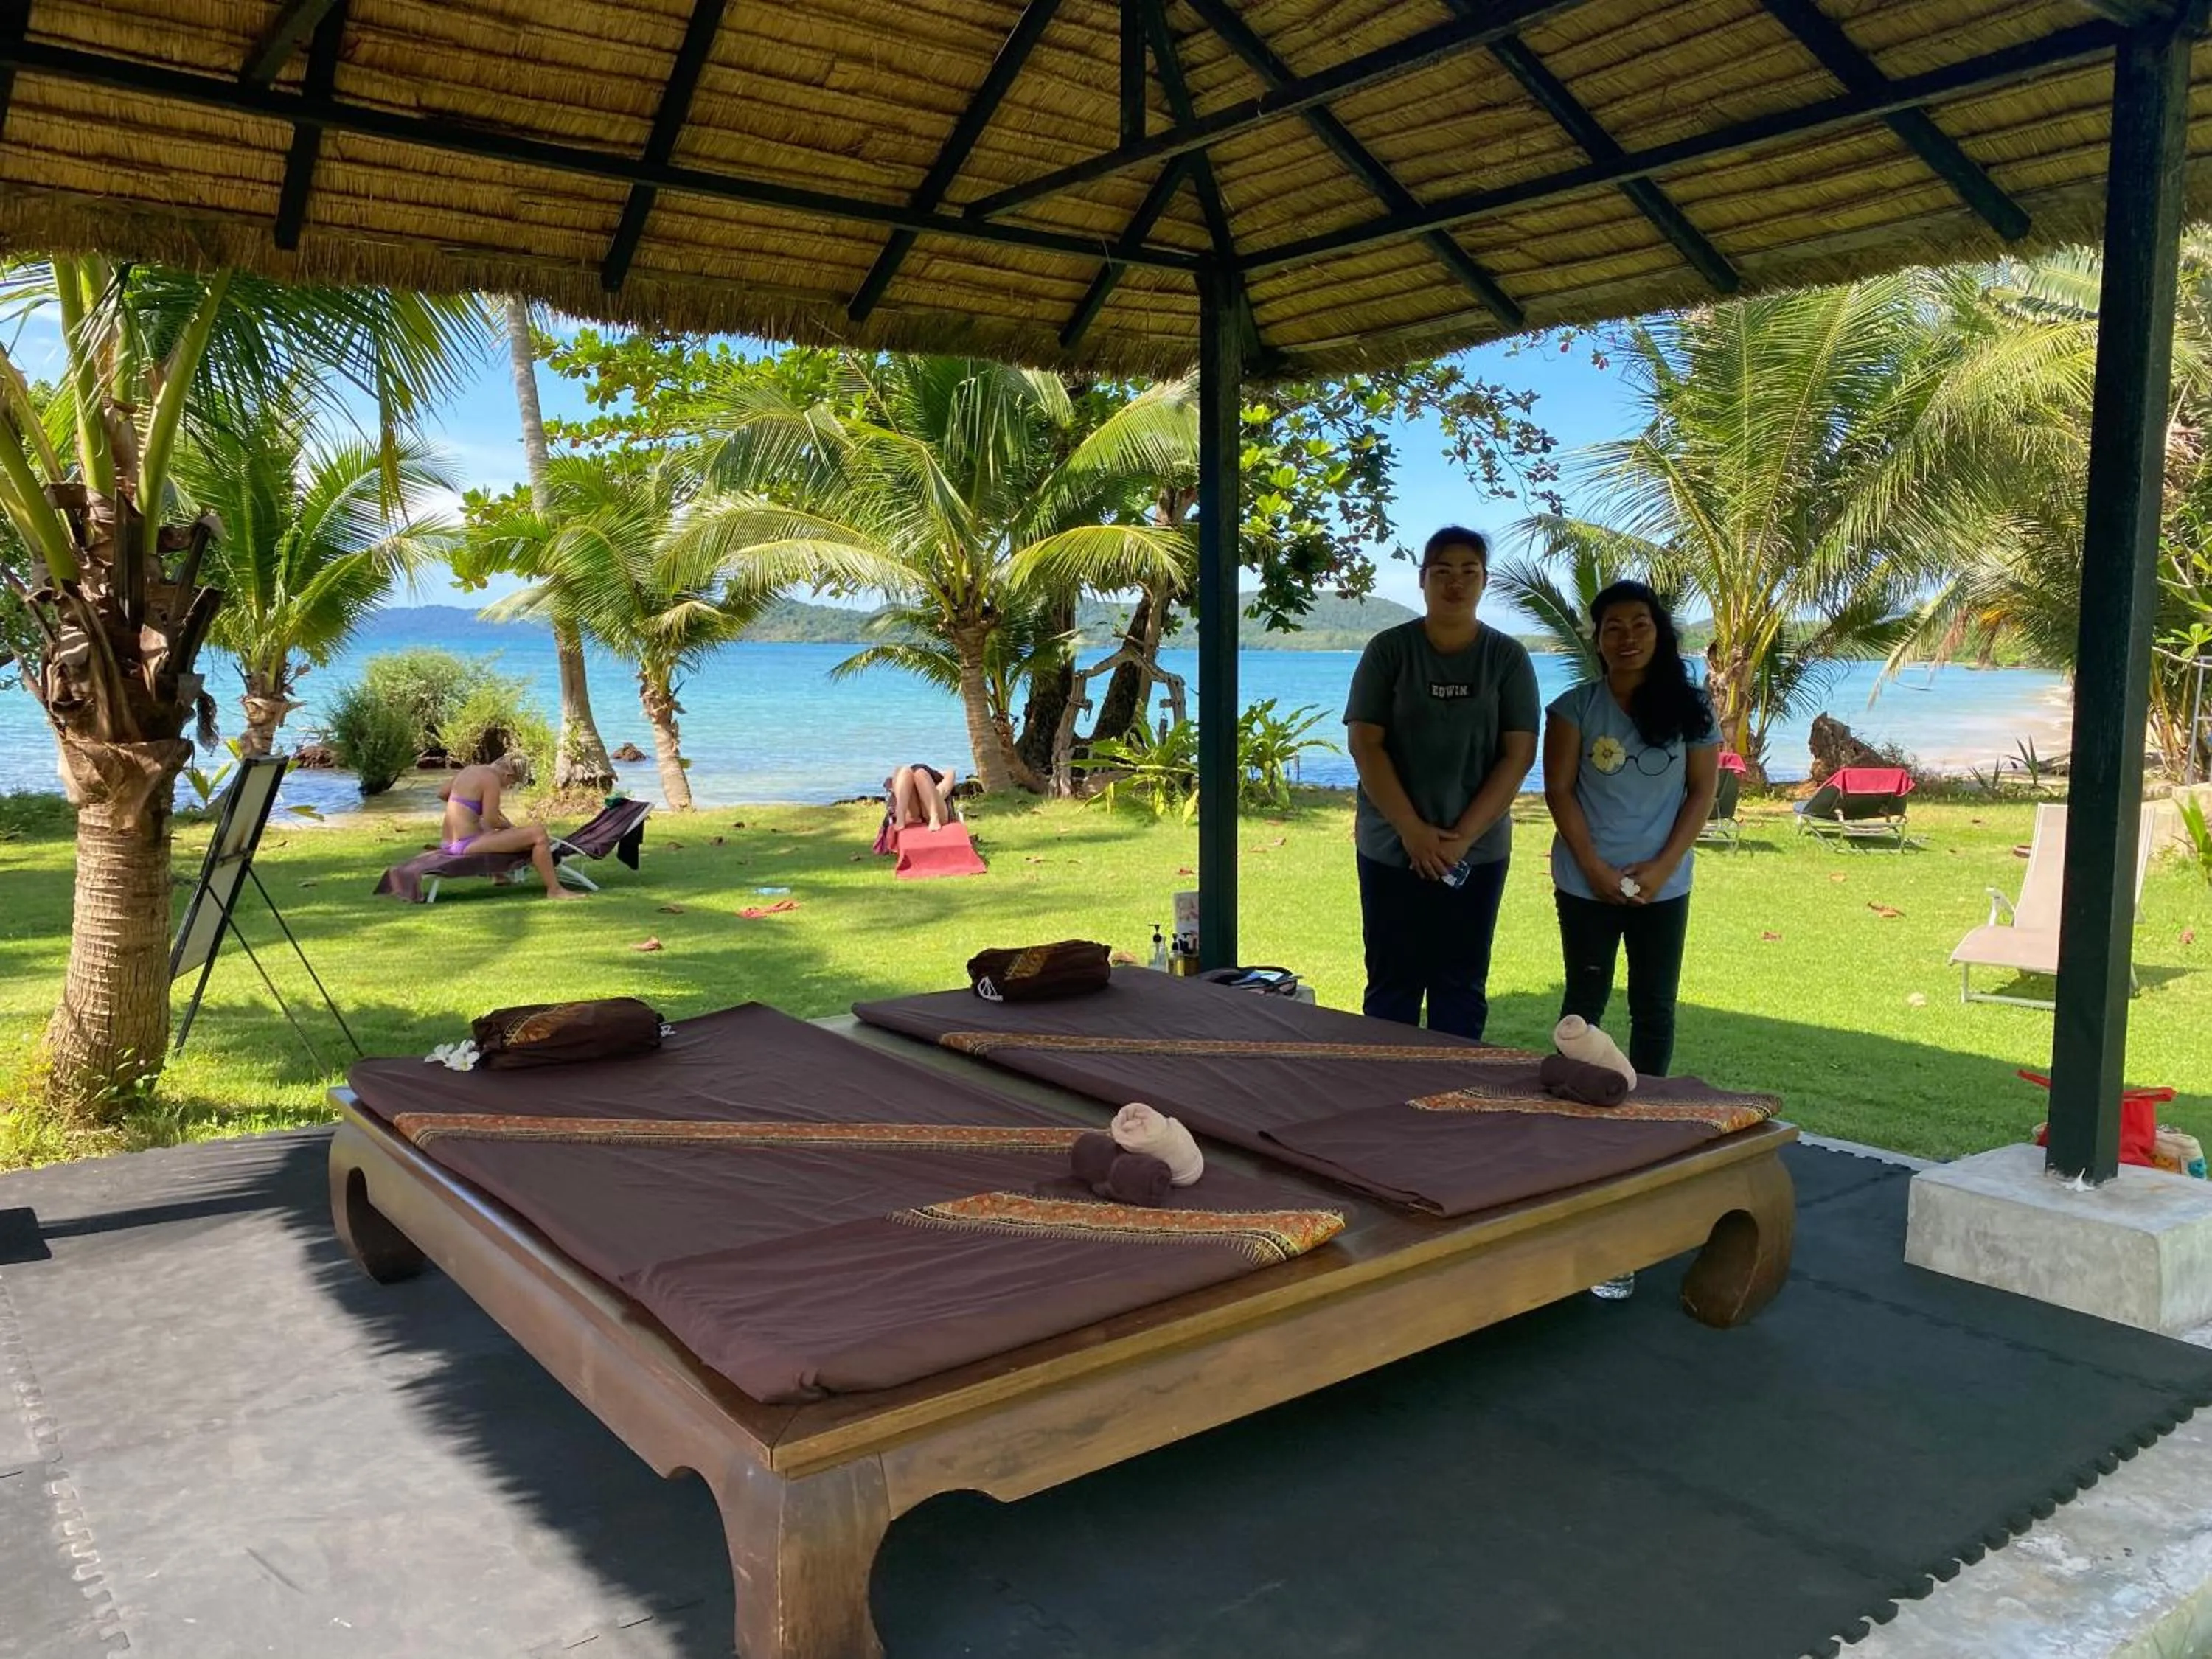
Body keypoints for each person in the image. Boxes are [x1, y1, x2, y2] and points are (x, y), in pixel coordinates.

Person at [1343, 526, 1540, 1039]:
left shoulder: (1507, 658)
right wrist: (1411, 830)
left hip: (1475, 853)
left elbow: (1518, 755)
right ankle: (1386, 1109)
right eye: (1443, 572)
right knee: (1392, 985)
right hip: (1392, 847)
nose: (1456, 583)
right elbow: (1366, 744)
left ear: (1484, 581)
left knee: (1461, 985)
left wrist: (1463, 839)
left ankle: (1454, 1105)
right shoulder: (1389, 651)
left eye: (1468, 572)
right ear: (1423, 580)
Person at [1542, 581, 1719, 1078]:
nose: (1627, 638)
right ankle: (1576, 1096)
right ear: (1596, 640)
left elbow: (1702, 791)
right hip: (1584, 881)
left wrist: (1663, 868)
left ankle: (1649, 1113)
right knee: (1584, 1003)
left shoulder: (1692, 709)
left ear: (1659, 634)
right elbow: (1559, 790)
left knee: (1655, 1008)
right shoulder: (1572, 708)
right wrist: (1594, 869)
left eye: (1640, 625)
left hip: (1663, 883)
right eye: (1613, 628)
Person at [437, 752, 582, 900]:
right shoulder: (492, 779)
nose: (507, 787)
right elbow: (493, 820)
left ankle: (498, 876)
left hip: (448, 842)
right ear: (508, 775)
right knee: (537, 833)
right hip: (464, 844)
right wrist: (512, 828)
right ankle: (554, 890)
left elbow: (442, 794)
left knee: (486, 825)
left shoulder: (470, 770)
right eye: (511, 784)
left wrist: (473, 808)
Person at [874, 762, 959, 853]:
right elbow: (950, 775)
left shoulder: (903, 779)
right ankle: (934, 817)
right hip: (930, 813)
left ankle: (901, 818)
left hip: (912, 815)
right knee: (919, 774)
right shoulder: (938, 782)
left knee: (907, 772)